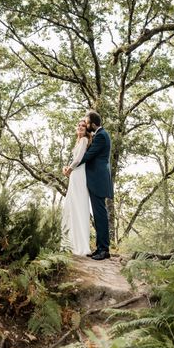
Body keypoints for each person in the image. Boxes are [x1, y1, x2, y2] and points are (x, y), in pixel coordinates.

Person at [65, 110, 113, 261]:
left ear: (92, 124)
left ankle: (104, 249)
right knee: (99, 216)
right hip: (96, 180)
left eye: (86, 122)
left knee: (100, 215)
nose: (85, 125)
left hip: (98, 181)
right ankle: (100, 248)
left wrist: (71, 167)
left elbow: (88, 155)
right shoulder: (100, 135)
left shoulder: (101, 136)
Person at [61, 119, 92, 256]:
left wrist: (69, 169)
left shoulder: (84, 140)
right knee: (73, 207)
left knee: (78, 207)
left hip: (79, 175)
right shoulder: (78, 141)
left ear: (86, 130)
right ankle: (71, 242)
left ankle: (80, 245)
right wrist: (67, 168)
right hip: (75, 174)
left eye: (83, 126)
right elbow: (76, 159)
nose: (80, 127)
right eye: (78, 125)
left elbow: (79, 159)